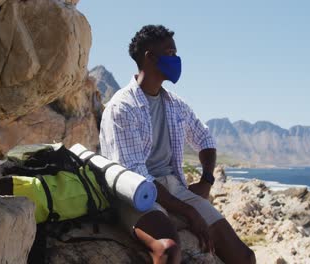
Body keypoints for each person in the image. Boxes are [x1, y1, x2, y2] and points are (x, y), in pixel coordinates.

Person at [99, 25, 256, 264]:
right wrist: (188, 211)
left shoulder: (175, 104)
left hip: (174, 188)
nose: (177, 60)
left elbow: (205, 140)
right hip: (134, 193)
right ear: (150, 57)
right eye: (171, 53)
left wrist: (206, 180)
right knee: (168, 251)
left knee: (245, 257)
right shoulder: (122, 107)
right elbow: (137, 177)